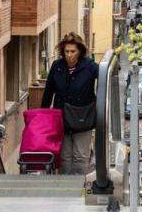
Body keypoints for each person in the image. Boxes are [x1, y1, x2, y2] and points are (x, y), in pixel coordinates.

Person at [42, 32, 100, 175]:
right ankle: (64, 191)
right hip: (62, 120)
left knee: (80, 158)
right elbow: (48, 92)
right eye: (67, 51)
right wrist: (44, 116)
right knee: (64, 159)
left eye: (73, 51)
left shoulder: (90, 67)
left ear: (80, 51)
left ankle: (79, 188)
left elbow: (107, 79)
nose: (69, 55)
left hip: (82, 119)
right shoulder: (57, 66)